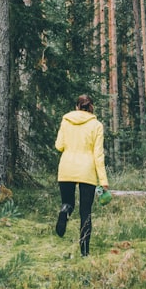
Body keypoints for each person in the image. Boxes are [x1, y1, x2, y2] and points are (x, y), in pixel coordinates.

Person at [54, 94, 109, 256]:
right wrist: (103, 180)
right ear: (92, 107)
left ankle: (64, 211)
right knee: (85, 211)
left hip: (66, 168)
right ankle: (84, 252)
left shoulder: (66, 121)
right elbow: (98, 155)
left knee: (68, 202)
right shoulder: (97, 125)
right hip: (87, 170)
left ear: (77, 106)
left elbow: (59, 146)